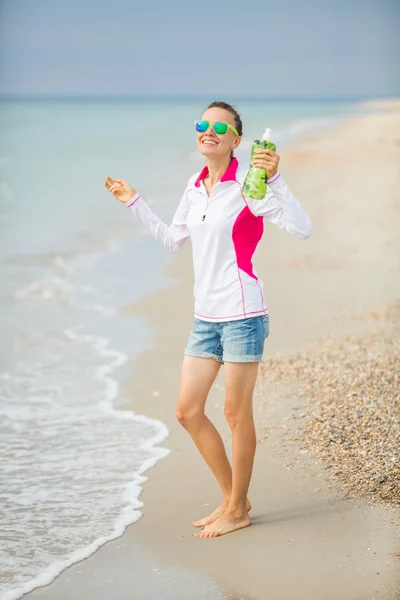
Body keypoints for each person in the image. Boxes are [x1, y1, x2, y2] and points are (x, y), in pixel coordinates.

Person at [104, 100, 312, 538]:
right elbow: (172, 239)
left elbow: (301, 227)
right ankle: (235, 499)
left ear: (237, 141)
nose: (208, 130)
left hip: (243, 315)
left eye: (220, 126)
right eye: (202, 124)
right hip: (205, 318)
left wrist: (275, 179)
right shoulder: (195, 186)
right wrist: (134, 201)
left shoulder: (249, 188)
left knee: (236, 414)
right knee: (187, 411)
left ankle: (237, 509)